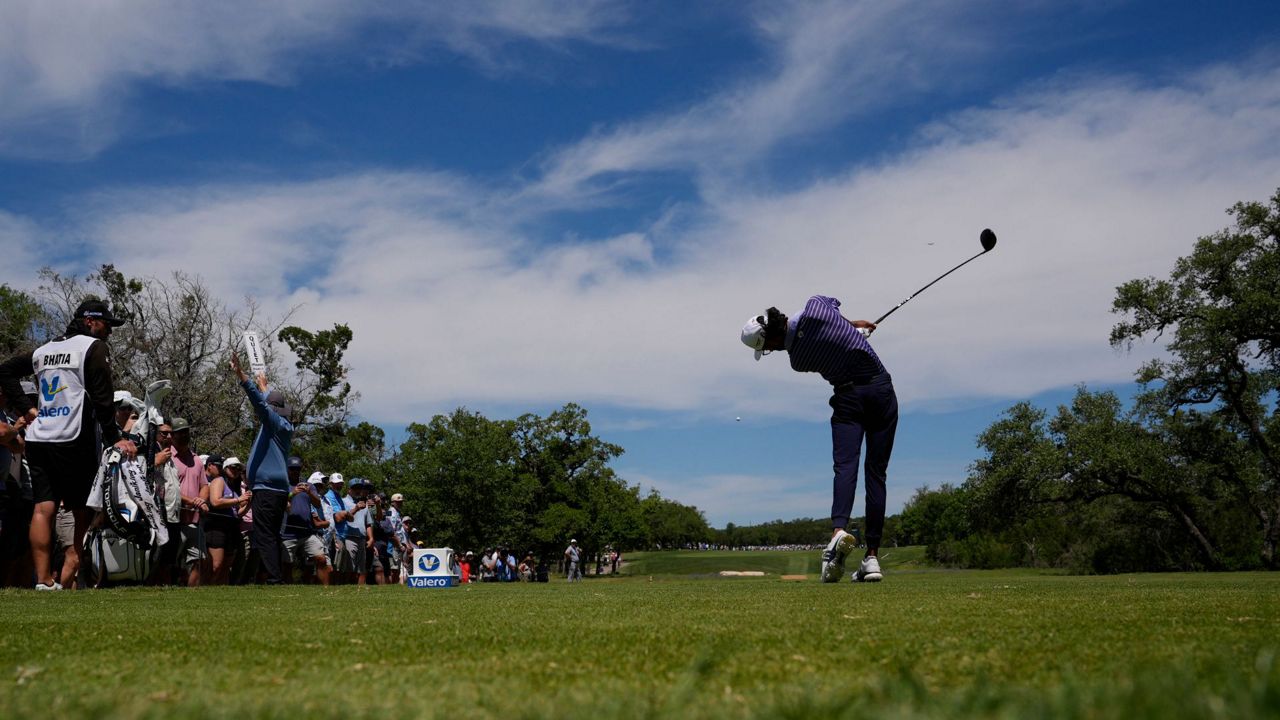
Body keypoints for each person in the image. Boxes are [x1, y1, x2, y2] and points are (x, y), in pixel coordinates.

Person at [740, 298, 895, 583]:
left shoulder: (797, 361)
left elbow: (818, 343)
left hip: (849, 399)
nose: (773, 350)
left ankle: (839, 531)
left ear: (770, 338)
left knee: (845, 466)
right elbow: (831, 313)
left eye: (769, 347)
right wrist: (853, 328)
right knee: (876, 473)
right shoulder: (815, 306)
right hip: (879, 390)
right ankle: (872, 557)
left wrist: (850, 333)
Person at [0, 300, 138, 590]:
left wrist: (26, 410)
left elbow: (5, 371)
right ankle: (75, 563)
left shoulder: (43, 350)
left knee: (42, 508)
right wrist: (116, 438)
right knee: (80, 508)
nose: (109, 331)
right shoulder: (92, 347)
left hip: (40, 437)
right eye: (106, 324)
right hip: (74, 436)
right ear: (89, 321)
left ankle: (44, 580)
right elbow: (102, 398)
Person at [229, 349, 294, 584]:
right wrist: (264, 384)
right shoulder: (284, 425)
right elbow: (268, 401)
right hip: (277, 490)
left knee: (265, 535)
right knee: (273, 534)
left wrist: (242, 376)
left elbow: (260, 403)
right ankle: (276, 576)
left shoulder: (273, 422)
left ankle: (274, 578)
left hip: (266, 490)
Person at [170, 417, 209, 587]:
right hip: (173, 521)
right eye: (179, 433)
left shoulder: (197, 460)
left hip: (194, 521)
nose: (183, 435)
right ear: (172, 435)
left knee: (198, 561)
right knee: (170, 563)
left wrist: (201, 500)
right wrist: (192, 501)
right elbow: (166, 489)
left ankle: (191, 596)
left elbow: (205, 486)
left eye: (185, 431)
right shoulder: (167, 457)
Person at [281, 457, 329, 585]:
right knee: (287, 565)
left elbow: (318, 504)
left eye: (298, 469)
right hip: (288, 532)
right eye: (292, 469)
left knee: (321, 559)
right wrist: (293, 493)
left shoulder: (309, 486)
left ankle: (325, 591)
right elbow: (280, 503)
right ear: (287, 470)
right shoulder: (283, 485)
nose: (295, 472)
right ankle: (288, 591)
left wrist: (309, 492)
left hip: (307, 532)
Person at [204, 455, 248, 585]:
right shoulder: (219, 481)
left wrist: (248, 503)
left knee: (226, 565)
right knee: (216, 565)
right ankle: (206, 590)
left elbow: (238, 513)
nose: (236, 470)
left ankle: (220, 591)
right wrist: (238, 500)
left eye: (239, 469)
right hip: (217, 527)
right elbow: (215, 501)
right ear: (225, 468)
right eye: (233, 467)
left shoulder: (235, 487)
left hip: (232, 527)